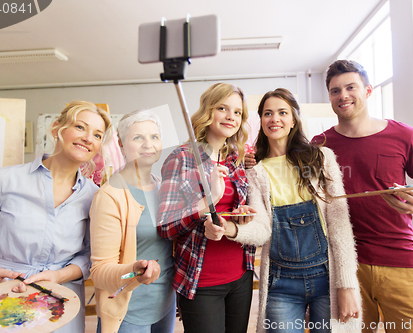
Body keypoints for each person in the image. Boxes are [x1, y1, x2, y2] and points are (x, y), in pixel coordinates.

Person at [310, 60, 413, 333]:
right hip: (345, 268)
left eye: (351, 87)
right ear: (329, 97)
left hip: (400, 261)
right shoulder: (320, 144)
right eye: (335, 90)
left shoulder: (403, 135)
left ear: (368, 90)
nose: (343, 95)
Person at [0, 101, 113, 332]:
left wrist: (58, 275)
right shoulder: (4, 180)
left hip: (60, 300)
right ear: (57, 128)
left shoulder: (95, 196)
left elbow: (92, 255)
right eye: (80, 127)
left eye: (97, 135)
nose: (88, 138)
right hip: (1, 293)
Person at [244, 88, 361, 333]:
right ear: (261, 121)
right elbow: (262, 230)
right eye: (268, 113)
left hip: (326, 277)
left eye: (282, 112)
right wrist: (232, 228)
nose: (274, 119)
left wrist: (347, 285)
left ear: (294, 119)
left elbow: (340, 225)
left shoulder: (322, 158)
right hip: (280, 281)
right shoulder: (255, 171)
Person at [157, 82, 270, 333]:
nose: (231, 117)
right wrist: (203, 206)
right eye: (223, 108)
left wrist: (241, 216)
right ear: (209, 111)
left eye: (238, 112)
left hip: (240, 275)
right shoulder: (182, 159)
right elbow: (165, 227)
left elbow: (233, 210)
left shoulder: (235, 159)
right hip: (201, 279)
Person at [89, 110, 169, 333]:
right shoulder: (110, 195)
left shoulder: (163, 187)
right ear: (121, 145)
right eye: (138, 138)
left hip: (165, 308)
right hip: (128, 314)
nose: (148, 144)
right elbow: (99, 271)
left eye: (154, 137)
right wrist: (134, 271)